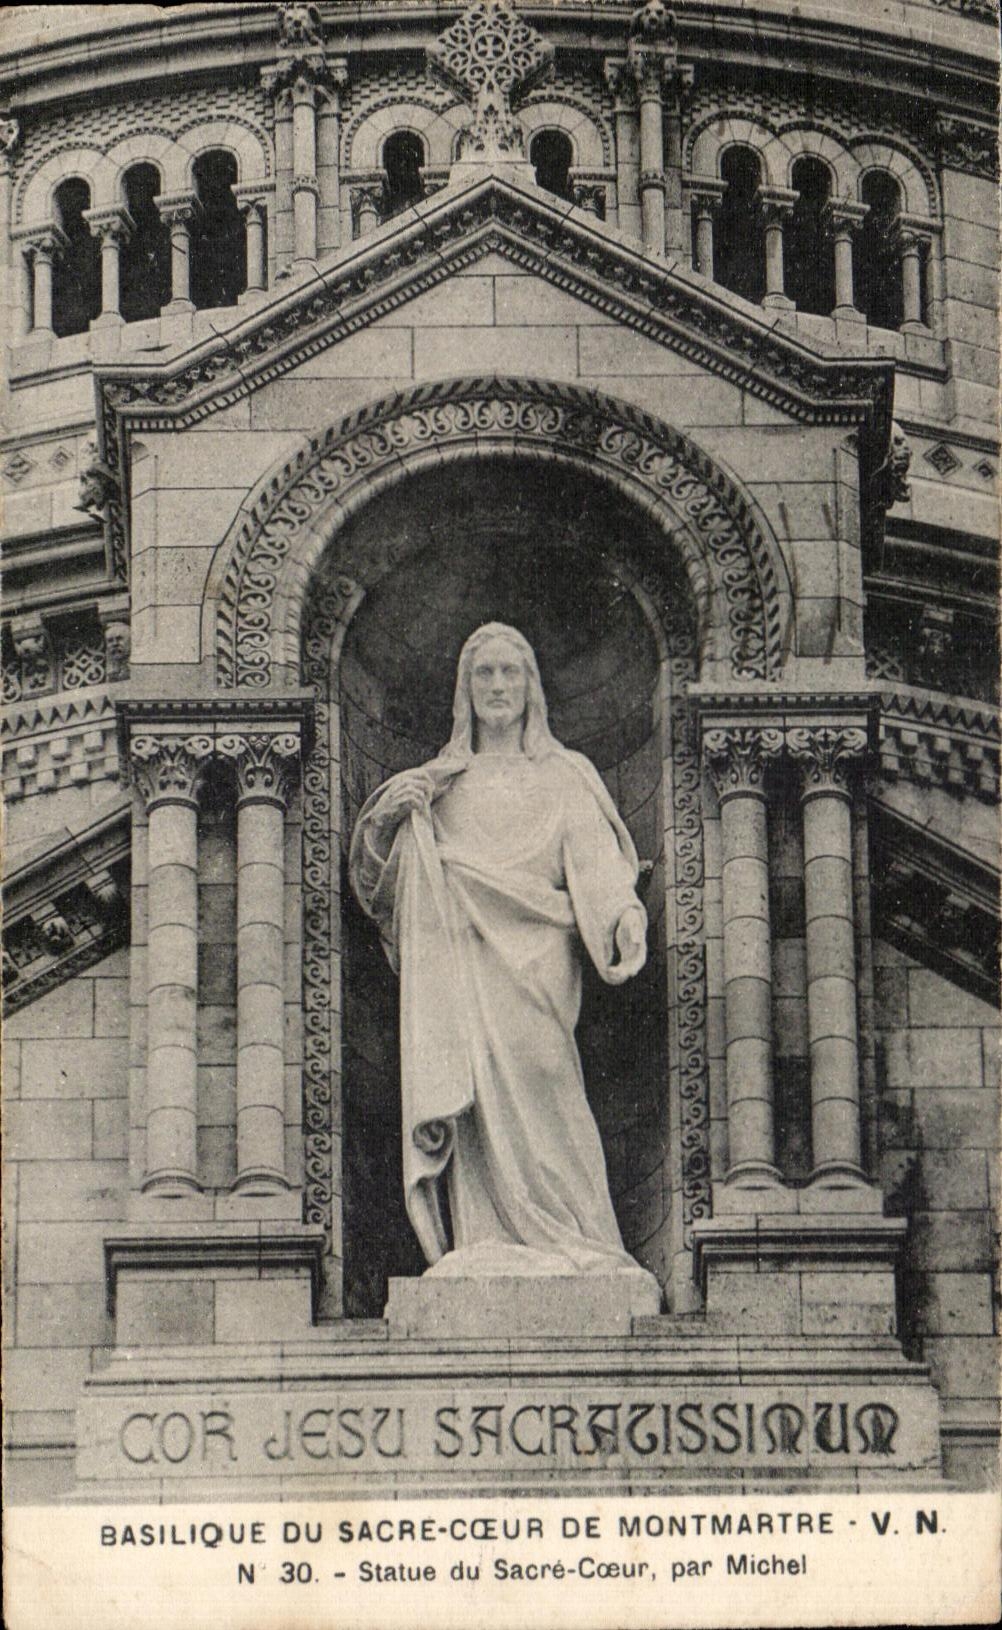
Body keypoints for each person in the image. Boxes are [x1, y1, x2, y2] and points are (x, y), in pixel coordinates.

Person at [349, 622, 657, 1291]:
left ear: (530, 688)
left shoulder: (564, 775)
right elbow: (389, 890)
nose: (496, 687)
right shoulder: (440, 784)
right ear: (465, 690)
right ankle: (486, 1240)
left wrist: (623, 919)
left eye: (508, 673)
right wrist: (387, 818)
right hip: (464, 966)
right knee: (479, 1108)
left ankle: (580, 1236)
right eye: (483, 674)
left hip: (540, 961)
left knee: (548, 1080)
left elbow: (597, 867)